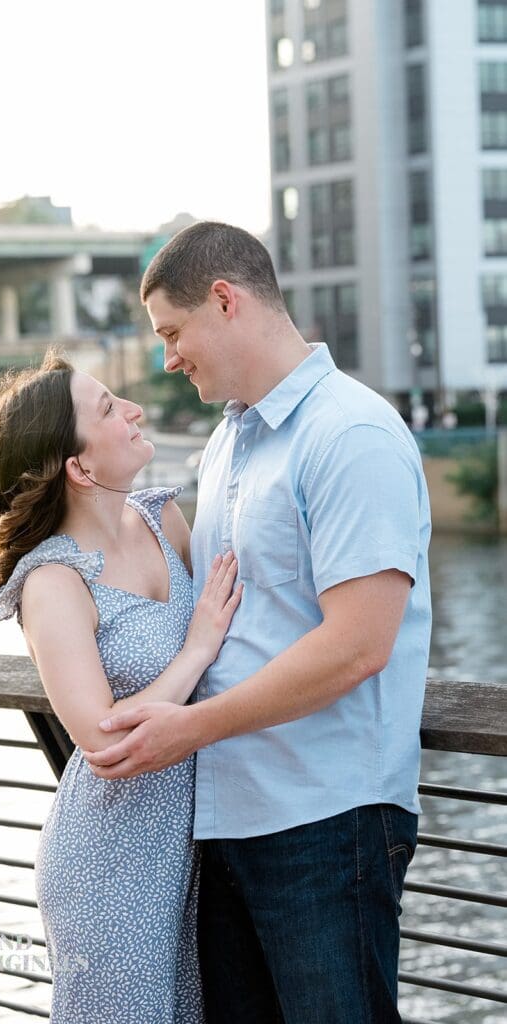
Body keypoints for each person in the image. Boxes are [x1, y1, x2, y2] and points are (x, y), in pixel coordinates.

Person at [85, 221, 433, 1024]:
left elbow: (357, 645)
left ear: (224, 300)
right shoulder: (227, 441)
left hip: (327, 819)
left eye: (172, 332)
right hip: (225, 818)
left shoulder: (349, 432)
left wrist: (188, 728)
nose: (168, 357)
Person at [0, 350, 242, 1023]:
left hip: (194, 854)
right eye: (108, 408)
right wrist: (197, 647)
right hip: (108, 866)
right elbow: (101, 738)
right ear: (80, 467)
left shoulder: (162, 519)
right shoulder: (52, 582)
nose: (134, 411)